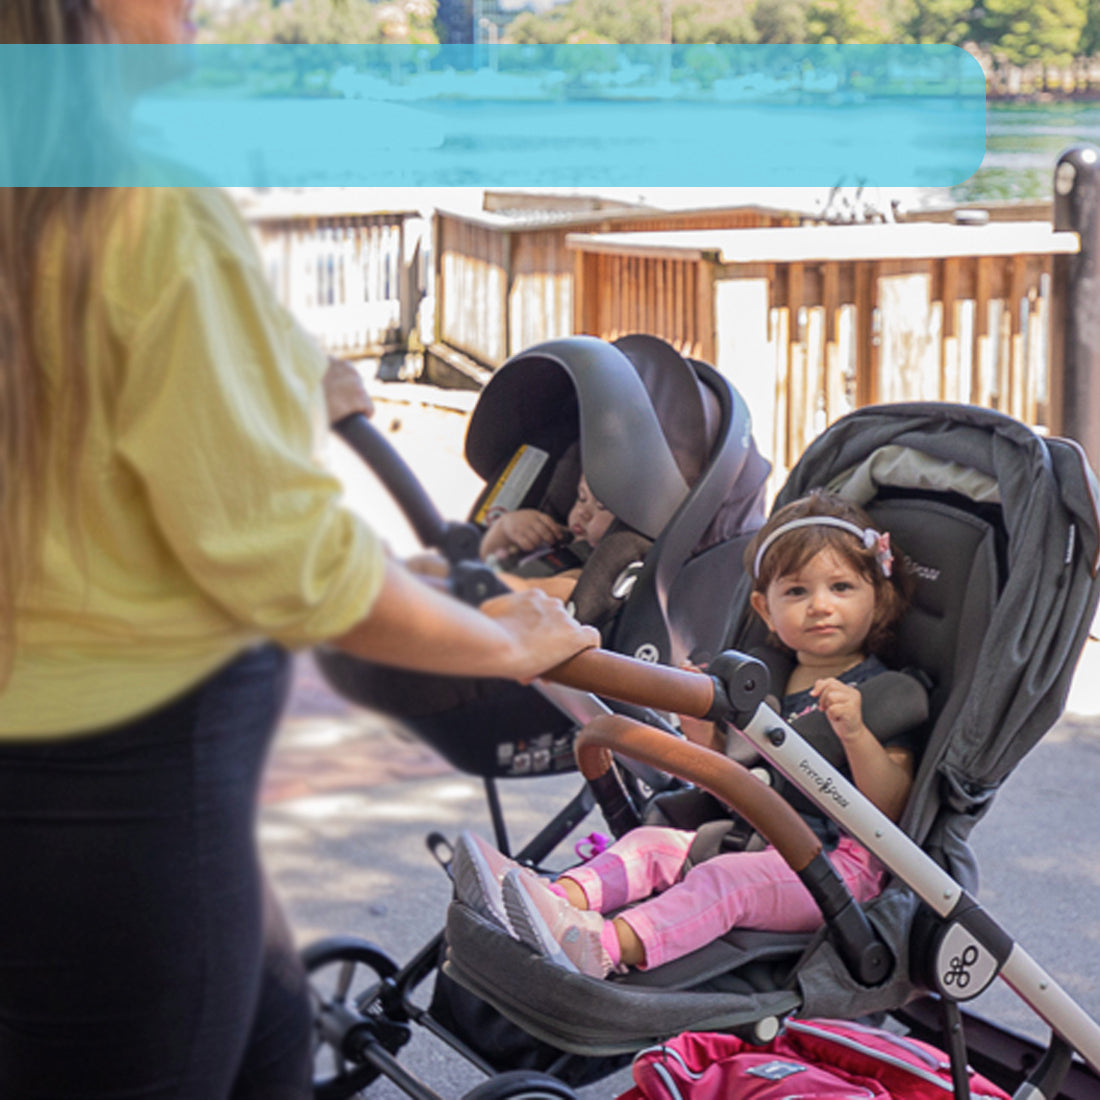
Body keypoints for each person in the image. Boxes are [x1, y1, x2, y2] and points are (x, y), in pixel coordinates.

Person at [0, 3, 597, 1097]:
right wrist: (497, 638)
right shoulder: (137, 210)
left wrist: (288, 392)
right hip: (127, 798)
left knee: (270, 1047)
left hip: (64, 783)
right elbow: (299, 570)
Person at [451, 490, 927, 978]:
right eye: (797, 592)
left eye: (842, 587)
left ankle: (603, 946)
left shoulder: (882, 694)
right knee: (649, 845)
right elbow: (732, 785)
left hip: (838, 869)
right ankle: (540, 904)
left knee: (724, 880)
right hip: (755, 838)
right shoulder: (765, 681)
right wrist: (703, 735)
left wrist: (855, 734)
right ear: (764, 609)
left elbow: (890, 807)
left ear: (879, 596)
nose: (820, 606)